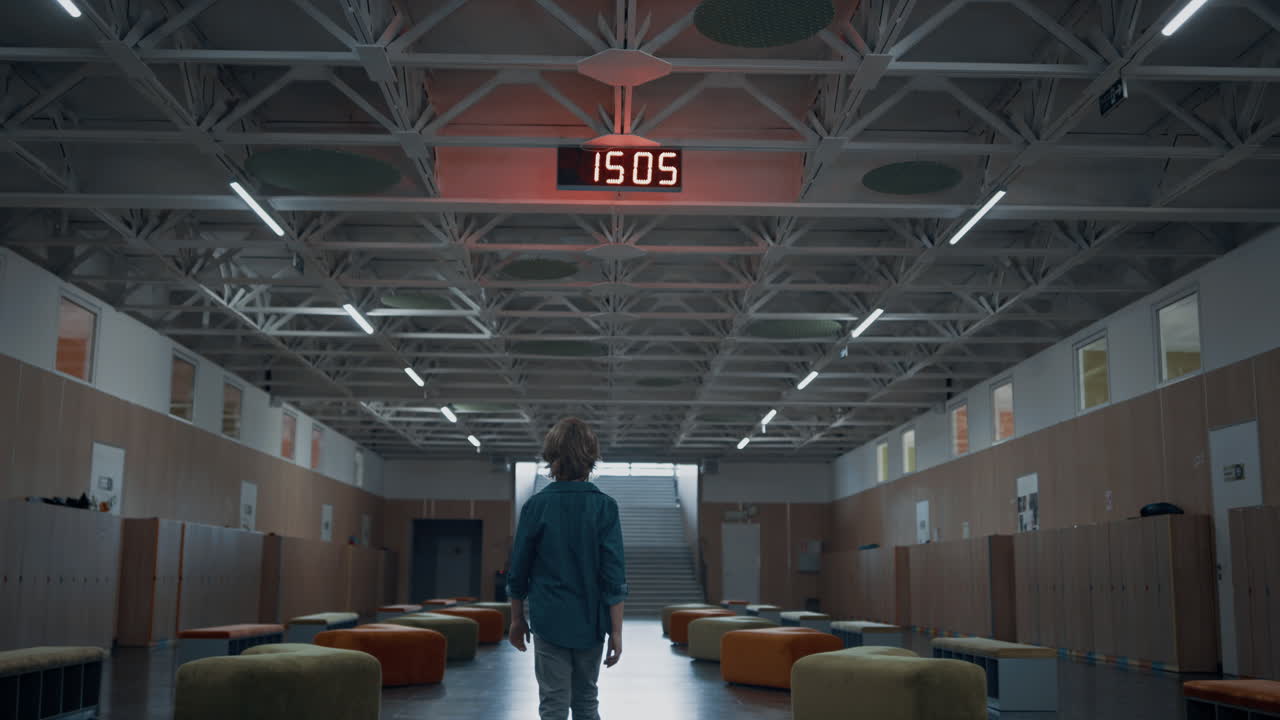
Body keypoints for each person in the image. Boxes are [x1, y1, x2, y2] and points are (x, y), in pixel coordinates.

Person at [506, 418, 627, 720]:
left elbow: (518, 571)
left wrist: (517, 619)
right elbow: (613, 576)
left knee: (553, 702)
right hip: (591, 621)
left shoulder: (536, 506)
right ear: (591, 457)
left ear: (551, 456)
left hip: (548, 619)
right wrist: (616, 632)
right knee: (587, 701)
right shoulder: (605, 507)